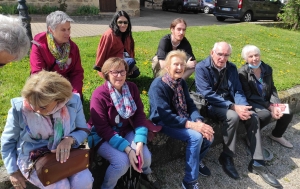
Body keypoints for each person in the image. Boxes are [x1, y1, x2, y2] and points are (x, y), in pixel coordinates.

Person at [195, 42, 282, 188]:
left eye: (226, 55)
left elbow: (238, 91)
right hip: (211, 105)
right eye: (219, 54)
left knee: (252, 115)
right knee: (233, 116)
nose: (222, 58)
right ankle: (227, 157)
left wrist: (242, 106)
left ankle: (257, 162)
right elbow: (207, 94)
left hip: (231, 104)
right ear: (212, 53)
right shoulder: (201, 67)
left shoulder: (231, 67)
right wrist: (234, 107)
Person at [1, 70, 93, 189]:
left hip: (66, 154)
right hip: (33, 158)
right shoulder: (19, 109)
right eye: (32, 104)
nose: (36, 110)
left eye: (43, 107)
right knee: (60, 186)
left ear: (59, 99)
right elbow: (8, 142)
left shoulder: (73, 102)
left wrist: (70, 139)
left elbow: (83, 129)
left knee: (84, 181)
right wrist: (13, 171)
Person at [88, 57, 159, 189]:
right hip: (104, 136)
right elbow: (103, 129)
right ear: (107, 74)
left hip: (126, 131)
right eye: (115, 72)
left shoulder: (131, 88)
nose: (119, 76)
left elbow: (139, 116)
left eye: (122, 71)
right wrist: (127, 149)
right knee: (122, 163)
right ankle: (107, 186)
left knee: (145, 156)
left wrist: (139, 142)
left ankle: (145, 173)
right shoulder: (99, 95)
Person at [149, 50, 214, 189]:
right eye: (175, 64)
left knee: (209, 135)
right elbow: (165, 115)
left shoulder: (181, 83)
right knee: (196, 137)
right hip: (163, 121)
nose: (179, 68)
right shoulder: (158, 86)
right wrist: (191, 125)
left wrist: (199, 121)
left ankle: (196, 160)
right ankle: (189, 181)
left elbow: (190, 105)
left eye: (182, 65)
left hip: (180, 117)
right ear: (167, 67)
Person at [238, 45, 293, 148]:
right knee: (265, 115)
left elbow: (272, 88)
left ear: (260, 55)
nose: (254, 59)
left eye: (256, 55)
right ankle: (251, 136)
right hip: (253, 102)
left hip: (268, 102)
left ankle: (276, 135)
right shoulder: (242, 73)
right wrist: (269, 106)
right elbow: (248, 95)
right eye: (250, 56)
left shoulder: (267, 69)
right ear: (245, 59)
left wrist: (275, 104)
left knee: (288, 111)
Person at [30, 11, 84, 98]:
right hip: (46, 88)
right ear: (51, 30)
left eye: (69, 29)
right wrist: (53, 96)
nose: (68, 33)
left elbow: (77, 73)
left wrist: (75, 94)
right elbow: (38, 74)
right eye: (63, 30)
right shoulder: (39, 46)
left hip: (66, 88)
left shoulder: (73, 47)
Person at [94, 10, 140, 78]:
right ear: (115, 22)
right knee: (131, 61)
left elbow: (130, 50)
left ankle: (120, 74)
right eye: (120, 22)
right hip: (112, 63)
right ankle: (114, 75)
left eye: (125, 22)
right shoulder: (109, 34)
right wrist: (99, 67)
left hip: (123, 59)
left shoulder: (127, 34)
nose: (123, 25)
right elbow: (102, 51)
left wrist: (130, 67)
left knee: (136, 73)